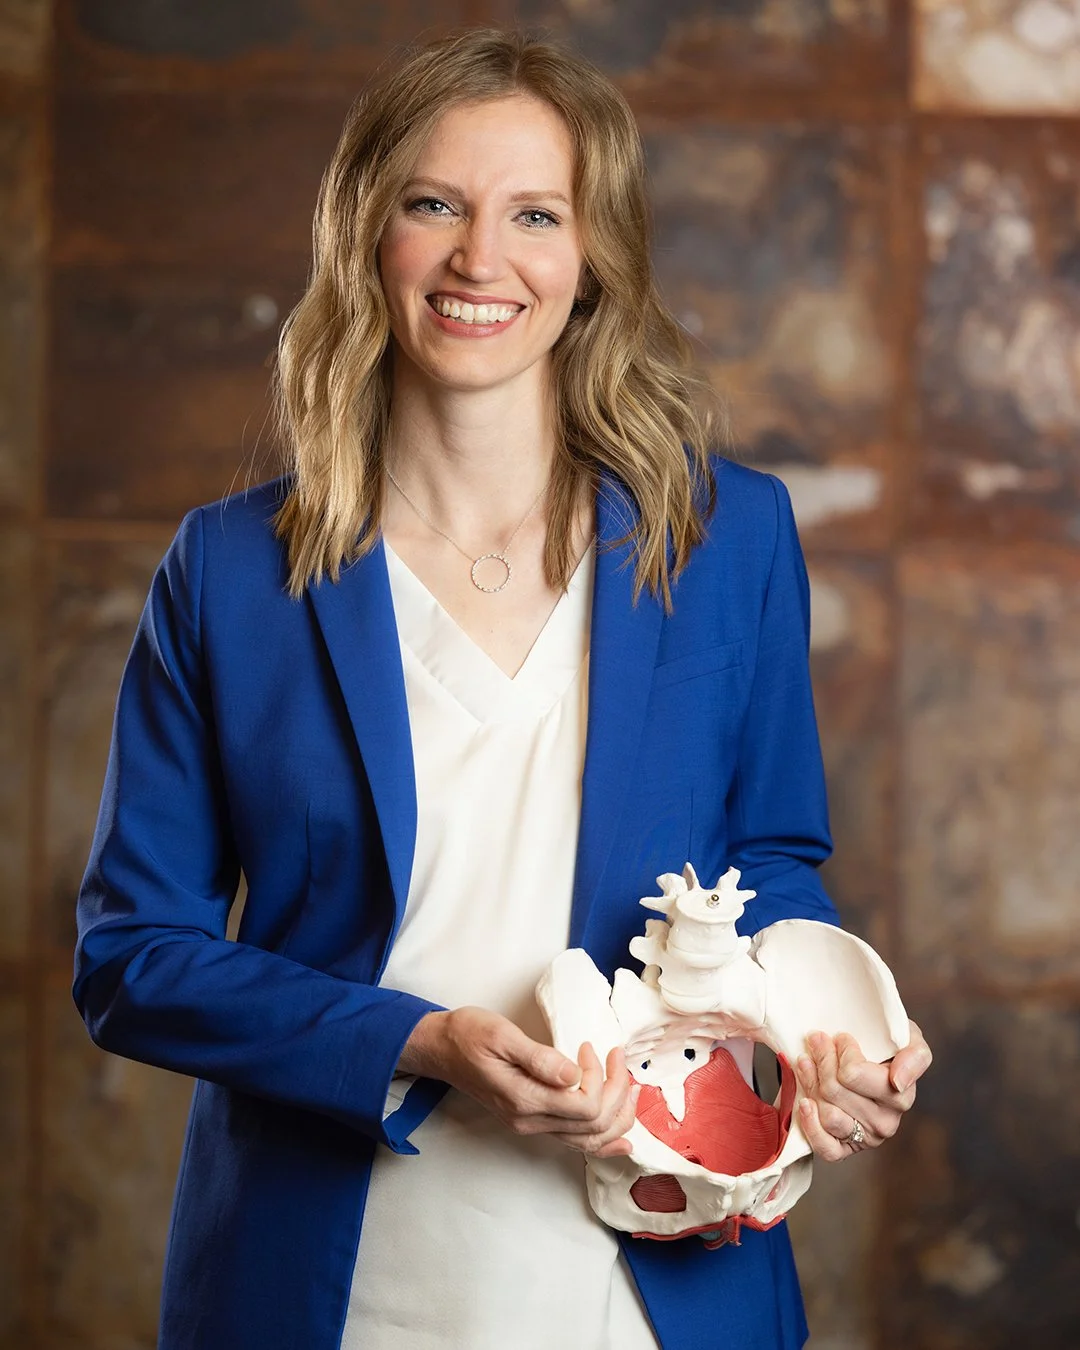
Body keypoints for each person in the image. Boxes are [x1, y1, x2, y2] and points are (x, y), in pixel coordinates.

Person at [73, 27, 931, 1350]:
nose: (483, 259)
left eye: (537, 213)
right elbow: (132, 957)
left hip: (655, 1269)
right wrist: (418, 1042)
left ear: (591, 258)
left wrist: (828, 1033)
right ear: (369, 234)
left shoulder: (726, 538)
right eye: (435, 205)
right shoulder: (233, 572)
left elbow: (770, 857)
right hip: (332, 1278)